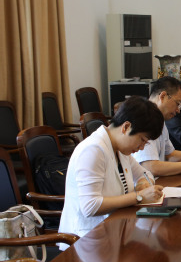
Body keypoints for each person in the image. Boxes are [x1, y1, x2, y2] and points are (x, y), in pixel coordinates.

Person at [59, 97, 165, 239]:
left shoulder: (120, 149)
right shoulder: (93, 150)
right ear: (126, 127)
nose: (141, 148)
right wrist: (139, 197)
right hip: (86, 238)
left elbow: (145, 173)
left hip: (115, 229)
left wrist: (143, 183)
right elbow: (90, 206)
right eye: (142, 140)